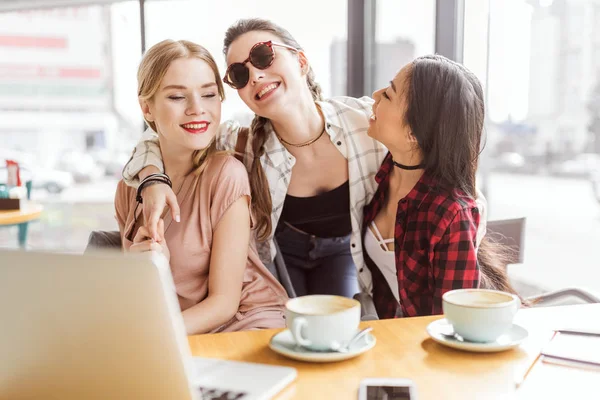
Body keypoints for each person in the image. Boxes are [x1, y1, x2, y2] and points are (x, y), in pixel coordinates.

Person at [121, 19, 487, 300]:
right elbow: (158, 136)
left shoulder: (369, 124)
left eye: (264, 56)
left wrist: (470, 217)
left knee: (338, 324)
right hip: (283, 252)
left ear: (300, 61)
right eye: (239, 74)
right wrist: (153, 179)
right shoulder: (239, 142)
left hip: (344, 250)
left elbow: (443, 167)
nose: (256, 75)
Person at [115, 39, 287, 334]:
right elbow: (147, 299)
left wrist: (151, 338)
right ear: (147, 109)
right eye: (177, 97)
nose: (198, 109)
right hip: (181, 331)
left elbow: (224, 303)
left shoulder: (226, 174)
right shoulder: (131, 189)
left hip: (245, 324)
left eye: (209, 94)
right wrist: (144, 270)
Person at [363, 55, 516, 318]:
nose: (375, 95)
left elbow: (454, 324)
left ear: (414, 133)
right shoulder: (381, 171)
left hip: (433, 347)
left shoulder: (451, 213)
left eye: (388, 95)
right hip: (392, 336)